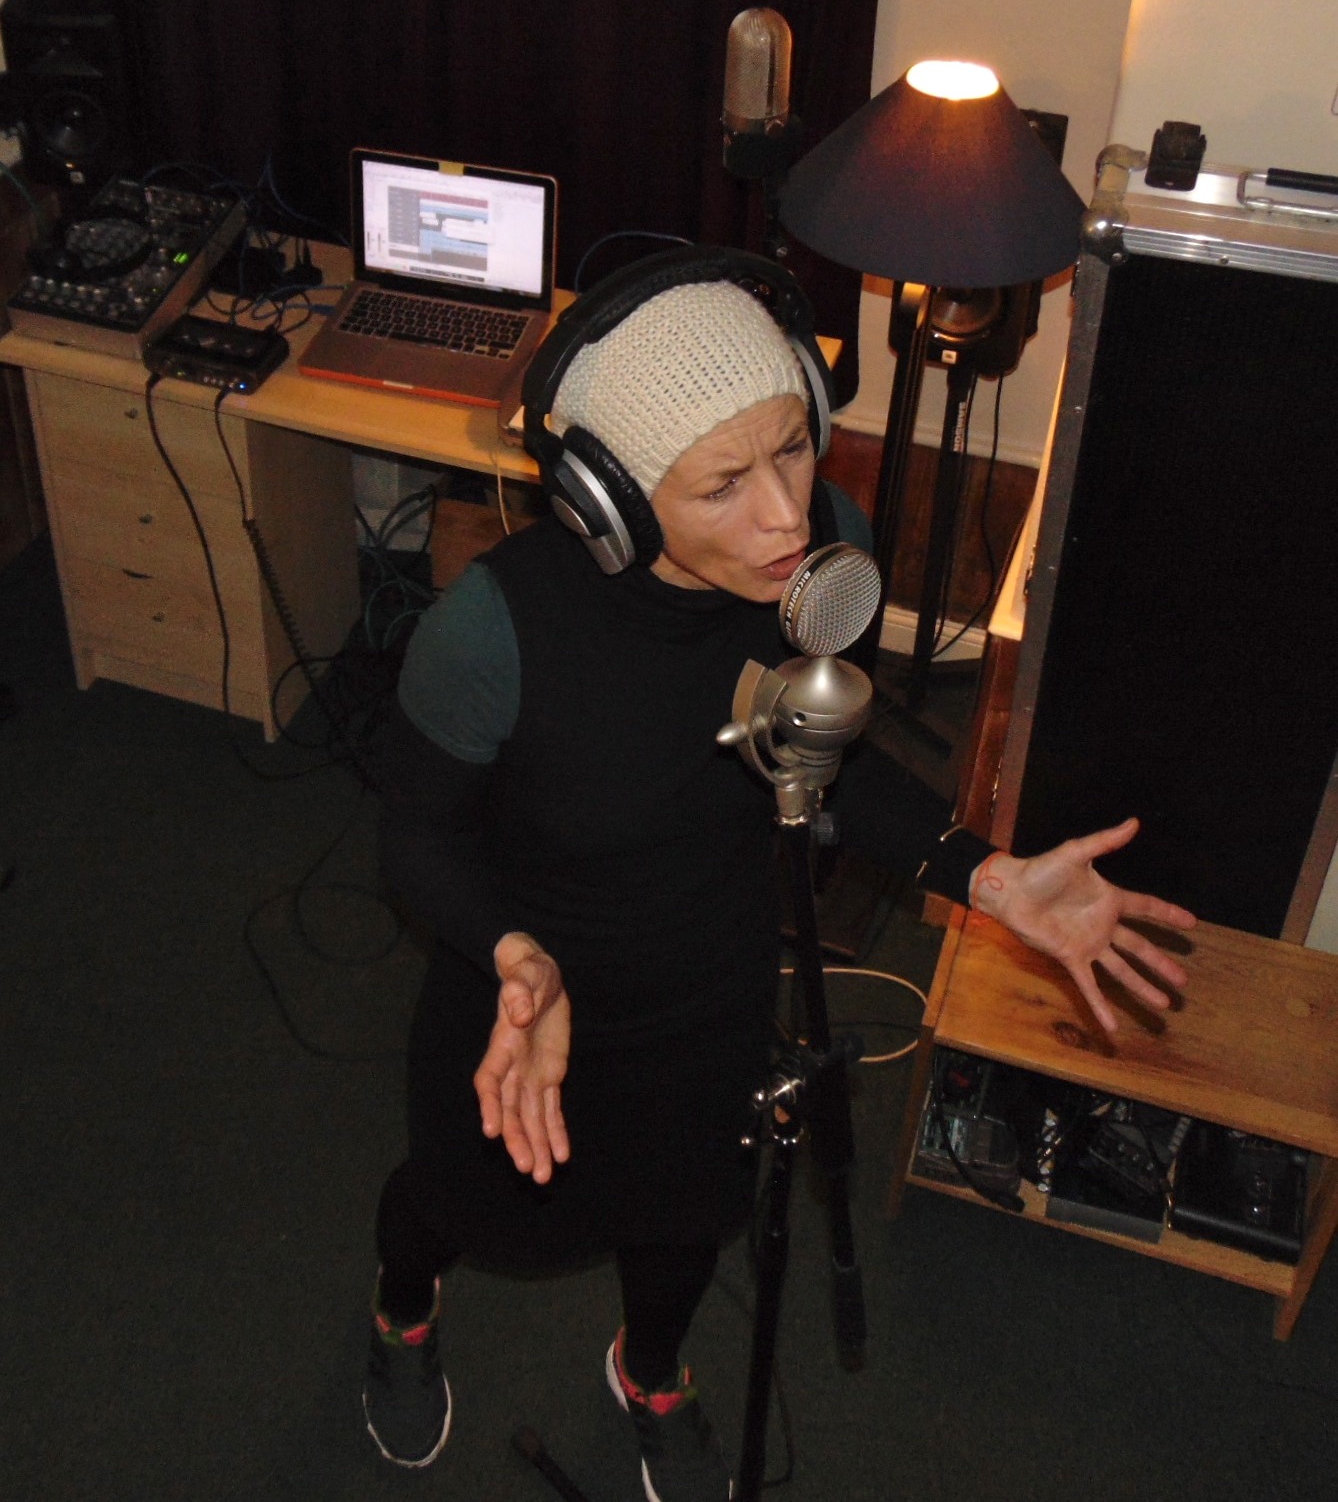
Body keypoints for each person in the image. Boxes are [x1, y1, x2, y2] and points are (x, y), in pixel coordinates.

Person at [365, 247, 1196, 1501]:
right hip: (525, 1008)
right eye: (723, 484)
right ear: (609, 498)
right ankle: (401, 1313)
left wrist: (987, 877)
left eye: (795, 450)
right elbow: (417, 836)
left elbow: (822, 764)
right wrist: (515, 959)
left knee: (686, 1219)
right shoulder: (492, 628)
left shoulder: (818, 570)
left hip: (712, 995)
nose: (788, 520)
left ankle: (650, 1372)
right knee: (457, 1203)